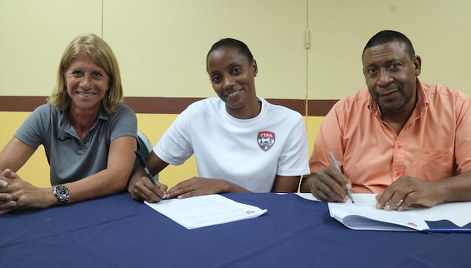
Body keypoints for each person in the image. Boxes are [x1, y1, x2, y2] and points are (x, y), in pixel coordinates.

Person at [301, 30, 471, 211]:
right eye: (373, 71)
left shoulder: (455, 106)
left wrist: (436, 190)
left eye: (394, 66)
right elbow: (310, 180)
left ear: (416, 66)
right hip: (358, 221)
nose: (384, 79)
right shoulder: (342, 113)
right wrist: (320, 184)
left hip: (431, 223)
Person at [128, 38, 310, 202]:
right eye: (217, 78)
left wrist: (225, 186)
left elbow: (282, 204)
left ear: (253, 68)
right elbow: (145, 169)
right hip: (210, 220)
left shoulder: (289, 122)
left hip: (264, 225)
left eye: (236, 71)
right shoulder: (197, 114)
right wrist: (140, 183)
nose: (227, 83)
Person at [0, 34, 138, 214]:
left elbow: (117, 177)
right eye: (77, 73)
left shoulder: (122, 116)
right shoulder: (45, 115)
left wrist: (49, 194)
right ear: (64, 77)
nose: (86, 84)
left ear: (109, 83)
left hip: (110, 213)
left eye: (97, 75)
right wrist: (8, 192)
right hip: (63, 214)